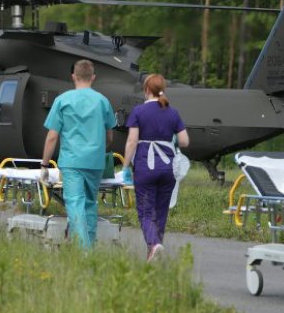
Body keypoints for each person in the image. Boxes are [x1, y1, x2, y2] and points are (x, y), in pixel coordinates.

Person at [41, 59, 117, 250]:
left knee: (75, 204)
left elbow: (52, 136)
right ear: (93, 77)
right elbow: (109, 135)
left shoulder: (62, 100)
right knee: (90, 204)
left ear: (73, 76)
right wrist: (100, 148)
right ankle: (88, 247)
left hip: (71, 161)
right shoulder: (102, 101)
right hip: (95, 162)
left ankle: (83, 252)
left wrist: (44, 165)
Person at [121, 74, 189, 262]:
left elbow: (132, 140)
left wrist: (126, 166)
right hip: (168, 169)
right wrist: (170, 138)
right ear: (162, 90)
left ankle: (154, 244)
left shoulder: (138, 112)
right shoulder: (173, 113)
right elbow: (184, 141)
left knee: (145, 211)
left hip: (145, 167)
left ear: (146, 90)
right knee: (161, 212)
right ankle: (154, 250)